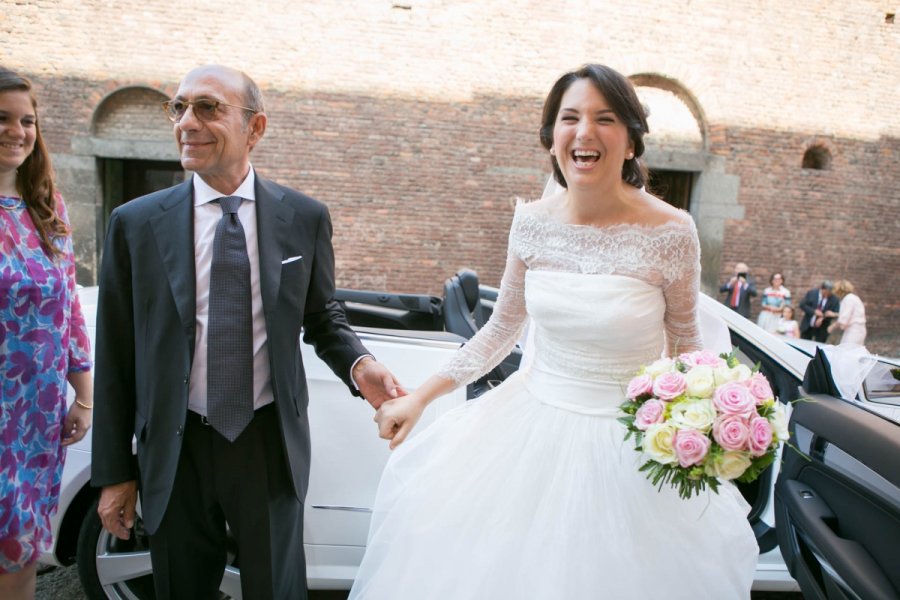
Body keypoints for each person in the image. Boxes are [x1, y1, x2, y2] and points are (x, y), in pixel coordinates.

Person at [349, 64, 757, 599]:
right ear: (552, 139)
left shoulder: (672, 232)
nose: (584, 132)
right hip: (526, 435)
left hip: (629, 448)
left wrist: (705, 425)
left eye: (604, 119)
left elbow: (686, 348)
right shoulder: (533, 222)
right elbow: (500, 331)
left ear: (631, 143)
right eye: (570, 118)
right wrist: (421, 398)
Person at [91, 65, 403, 600]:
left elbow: (322, 316)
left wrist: (359, 365)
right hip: (175, 445)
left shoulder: (303, 217)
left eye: (208, 108)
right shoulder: (136, 223)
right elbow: (116, 353)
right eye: (180, 107)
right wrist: (115, 471)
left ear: (255, 127)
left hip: (266, 443)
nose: (187, 122)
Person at [0, 67, 93, 600]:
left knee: (23, 537)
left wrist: (83, 396)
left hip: (36, 416)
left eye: (27, 120)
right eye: (4, 118)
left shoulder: (46, 206)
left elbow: (69, 308)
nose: (18, 130)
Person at [828, 279, 866, 346]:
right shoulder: (853, 298)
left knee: (847, 351)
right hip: (856, 330)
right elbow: (850, 314)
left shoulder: (848, 299)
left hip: (854, 331)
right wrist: (834, 314)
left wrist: (832, 326)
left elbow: (844, 318)